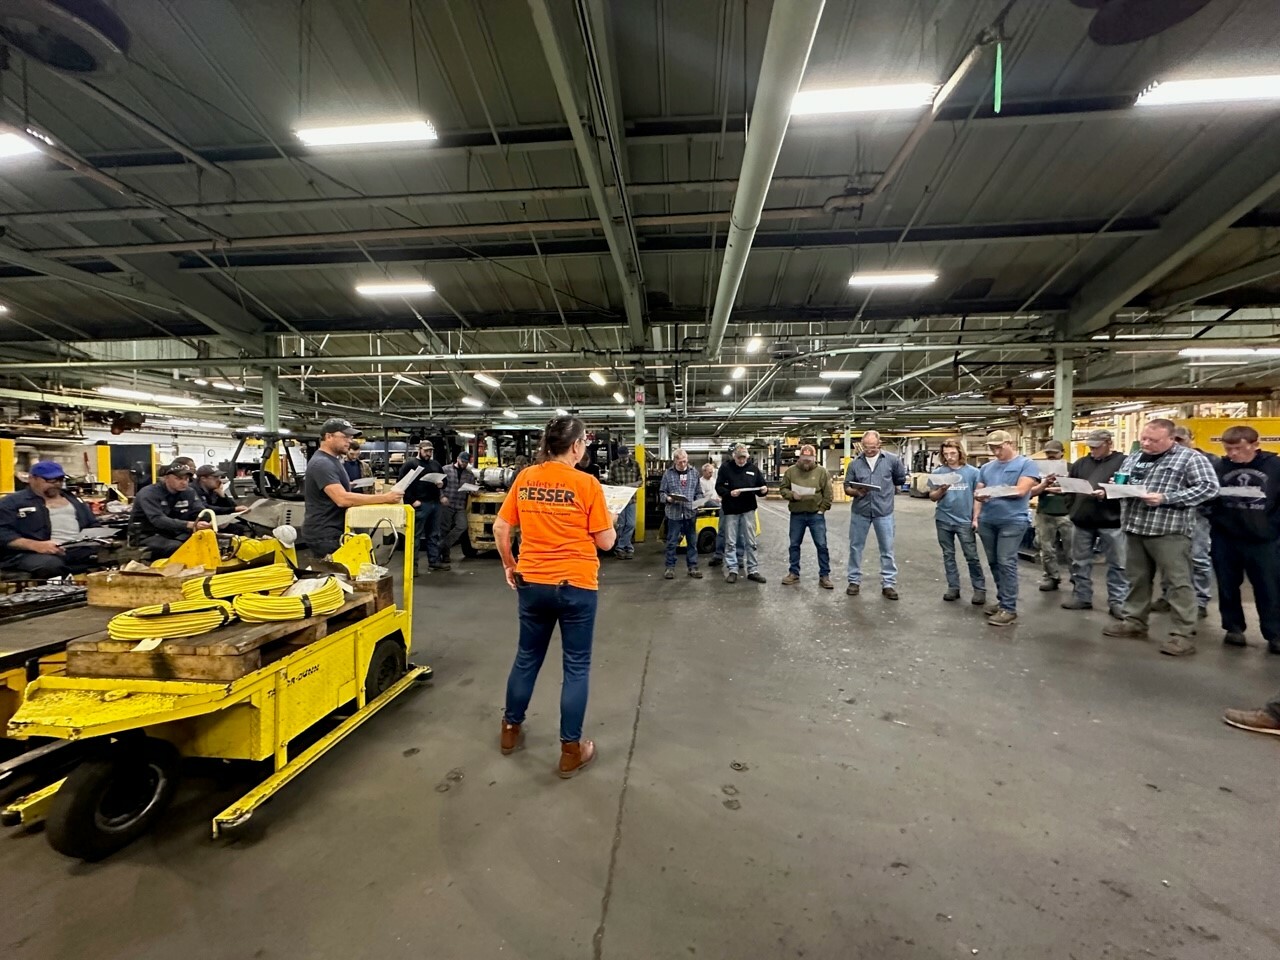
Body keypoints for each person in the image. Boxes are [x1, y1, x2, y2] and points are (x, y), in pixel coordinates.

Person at [493, 415, 616, 778]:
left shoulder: (526, 477)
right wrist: (606, 518)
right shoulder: (587, 484)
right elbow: (606, 542)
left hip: (532, 582)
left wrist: (510, 565)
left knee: (527, 657)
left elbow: (501, 527)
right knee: (576, 666)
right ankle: (570, 751)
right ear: (576, 446)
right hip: (576, 584)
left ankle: (510, 729)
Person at [1102, 418, 1218, 657]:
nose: (1146, 443)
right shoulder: (1135, 457)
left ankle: (1182, 634)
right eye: (1143, 438)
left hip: (1168, 530)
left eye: (1153, 440)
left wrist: (1167, 498)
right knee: (1137, 578)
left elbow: (1209, 488)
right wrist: (1113, 488)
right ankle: (1134, 621)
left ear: (1170, 439)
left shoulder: (1190, 458)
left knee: (1177, 582)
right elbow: (1126, 481)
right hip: (1135, 526)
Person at [1209, 425, 1280, 654]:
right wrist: (1214, 517)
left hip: (1263, 539)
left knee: (1268, 587)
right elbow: (1207, 496)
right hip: (1226, 537)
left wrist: (1272, 527)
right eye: (1228, 449)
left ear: (1255, 445)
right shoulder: (1220, 467)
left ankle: (1275, 633)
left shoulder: (1274, 466)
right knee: (1227, 585)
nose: (1233, 454)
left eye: (1238, 449)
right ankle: (1233, 627)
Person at [302, 419, 403, 557]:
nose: (349, 441)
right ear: (329, 436)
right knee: (339, 570)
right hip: (326, 534)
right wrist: (385, 498)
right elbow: (342, 499)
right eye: (345, 437)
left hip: (334, 530)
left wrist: (346, 485)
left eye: (350, 437)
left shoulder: (332, 460)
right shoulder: (322, 463)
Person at [973, 430, 1040, 626]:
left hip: (1012, 520)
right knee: (994, 562)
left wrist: (993, 492)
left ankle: (1009, 608)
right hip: (988, 520)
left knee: (1006, 561)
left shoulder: (1026, 464)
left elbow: (1021, 490)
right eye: (992, 448)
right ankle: (1003, 600)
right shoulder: (986, 467)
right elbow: (978, 491)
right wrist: (976, 514)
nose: (996, 451)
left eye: (999, 447)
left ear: (1010, 443)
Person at [1060, 429, 1129, 620]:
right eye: (1090, 447)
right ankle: (1082, 596)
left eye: (1097, 447)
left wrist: (1107, 494)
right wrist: (1073, 509)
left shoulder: (1124, 462)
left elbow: (1130, 489)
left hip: (1112, 521)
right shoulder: (1081, 463)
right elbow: (1069, 488)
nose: (1093, 450)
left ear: (1109, 443)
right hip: (1082, 521)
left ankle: (1118, 601)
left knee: (1118, 564)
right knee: (1079, 561)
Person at [1152, 426, 1217, 619]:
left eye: (1181, 439)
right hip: (1170, 515)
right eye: (1174, 439)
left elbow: (1212, 489)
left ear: (1191, 439)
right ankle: (1167, 596)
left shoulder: (1209, 460)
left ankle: (1200, 601)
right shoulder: (1162, 459)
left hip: (1198, 515)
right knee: (1168, 558)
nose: (1177, 443)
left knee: (1198, 558)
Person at [0, 461, 97, 578]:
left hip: (75, 549)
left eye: (60, 479)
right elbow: (3, 532)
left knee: (109, 556)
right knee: (51, 564)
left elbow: (92, 524)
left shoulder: (74, 500)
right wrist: (35, 545)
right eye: (50, 480)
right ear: (32, 479)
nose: (56, 484)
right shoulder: (12, 503)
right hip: (29, 553)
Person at [843, 430, 907, 599]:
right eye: (866, 447)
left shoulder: (892, 460)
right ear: (862, 445)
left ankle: (888, 584)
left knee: (887, 548)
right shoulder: (855, 464)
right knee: (855, 547)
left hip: (884, 511)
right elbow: (847, 487)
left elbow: (900, 479)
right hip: (860, 511)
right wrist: (856, 492)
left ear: (880, 444)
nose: (869, 450)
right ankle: (854, 581)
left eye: (873, 447)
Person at [927, 439, 985, 605]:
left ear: (960, 453)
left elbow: (978, 497)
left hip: (964, 521)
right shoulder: (938, 473)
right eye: (946, 454)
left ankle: (979, 589)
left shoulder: (973, 473)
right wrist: (942, 489)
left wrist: (975, 518)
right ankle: (953, 587)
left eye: (952, 453)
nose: (949, 457)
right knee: (948, 555)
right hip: (943, 519)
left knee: (971, 556)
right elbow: (932, 497)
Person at [779, 444, 833, 588]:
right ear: (800, 457)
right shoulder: (791, 471)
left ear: (814, 458)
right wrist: (792, 495)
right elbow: (783, 489)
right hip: (797, 514)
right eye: (804, 458)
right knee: (794, 545)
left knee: (821, 545)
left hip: (816, 515)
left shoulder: (822, 472)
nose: (807, 461)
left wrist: (822, 509)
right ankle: (794, 573)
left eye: (809, 458)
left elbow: (828, 493)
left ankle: (824, 575)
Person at [130, 461, 210, 557]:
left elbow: (200, 512)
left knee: (207, 539)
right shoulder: (148, 493)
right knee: (177, 547)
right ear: (166, 478)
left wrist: (207, 521)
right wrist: (189, 524)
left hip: (174, 533)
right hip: (148, 535)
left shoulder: (189, 492)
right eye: (179, 478)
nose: (184, 482)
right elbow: (158, 520)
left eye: (186, 479)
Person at [714, 443, 768, 585]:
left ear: (747, 457)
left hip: (748, 509)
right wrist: (729, 493)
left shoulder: (753, 469)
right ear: (734, 456)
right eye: (739, 458)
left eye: (744, 458)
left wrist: (764, 490)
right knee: (730, 541)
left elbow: (761, 486)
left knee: (751, 541)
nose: (742, 460)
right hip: (731, 509)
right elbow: (718, 486)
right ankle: (733, 570)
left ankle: (753, 570)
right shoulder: (725, 468)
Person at [1028, 440, 1073, 592]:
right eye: (1048, 453)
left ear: (1062, 453)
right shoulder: (1039, 469)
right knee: (1046, 548)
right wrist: (1046, 486)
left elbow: (1076, 488)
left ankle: (1077, 579)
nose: (1051, 456)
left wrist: (1048, 489)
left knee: (1072, 550)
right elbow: (1032, 489)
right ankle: (1051, 577)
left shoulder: (1071, 468)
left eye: (1054, 453)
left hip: (1067, 513)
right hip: (1045, 512)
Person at [399, 441, 445, 572]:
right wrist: (411, 500)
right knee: (415, 537)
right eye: (426, 451)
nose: (428, 453)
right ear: (419, 450)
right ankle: (412, 566)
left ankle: (434, 561)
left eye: (430, 451)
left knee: (434, 535)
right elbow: (402, 484)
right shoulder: (410, 465)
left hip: (434, 504)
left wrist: (442, 484)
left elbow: (444, 480)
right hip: (420, 504)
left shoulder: (435, 464)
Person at [660, 448, 703, 579]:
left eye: (685, 461)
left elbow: (699, 492)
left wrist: (698, 502)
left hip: (690, 513)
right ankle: (670, 568)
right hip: (674, 514)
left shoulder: (694, 473)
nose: (683, 464)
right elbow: (662, 493)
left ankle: (693, 567)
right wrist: (668, 498)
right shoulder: (668, 474)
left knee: (692, 541)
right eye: (680, 462)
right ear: (675, 461)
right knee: (672, 542)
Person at [438, 451, 479, 566]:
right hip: (447, 503)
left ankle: (442, 546)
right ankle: (445, 555)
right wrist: (441, 497)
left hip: (460, 504)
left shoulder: (469, 474)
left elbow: (472, 489)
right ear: (457, 459)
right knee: (444, 529)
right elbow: (438, 485)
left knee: (462, 525)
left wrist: (474, 491)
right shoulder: (445, 470)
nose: (464, 464)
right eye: (463, 462)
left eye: (466, 463)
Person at [608, 445, 642, 560]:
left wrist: (631, 485)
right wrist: (620, 487)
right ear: (618, 455)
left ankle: (620, 547)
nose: (624, 459)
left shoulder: (635, 465)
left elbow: (640, 480)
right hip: (619, 499)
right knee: (621, 525)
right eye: (622, 457)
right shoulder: (613, 465)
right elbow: (609, 481)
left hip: (631, 499)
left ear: (628, 454)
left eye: (625, 456)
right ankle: (627, 548)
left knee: (631, 524)